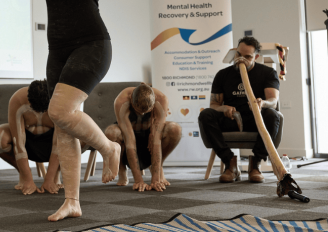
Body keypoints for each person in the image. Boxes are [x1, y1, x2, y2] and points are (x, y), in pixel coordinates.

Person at [4, 0, 121, 221]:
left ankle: (109, 147)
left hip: (92, 45)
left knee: (59, 109)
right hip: (58, 51)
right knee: (64, 123)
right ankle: (72, 201)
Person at [198, 36, 280, 183]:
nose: (241, 59)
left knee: (272, 115)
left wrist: (262, 103)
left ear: (256, 57)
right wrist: (224, 108)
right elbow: (214, 105)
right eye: (238, 55)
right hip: (231, 120)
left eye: (247, 57)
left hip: (256, 120)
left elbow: (273, 101)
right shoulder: (223, 75)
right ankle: (230, 163)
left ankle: (255, 164)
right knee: (206, 114)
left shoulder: (267, 73)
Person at [0, 80, 85, 195]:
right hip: (29, 141)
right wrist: (28, 179)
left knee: (83, 136)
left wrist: (49, 179)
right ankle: (23, 174)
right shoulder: (17, 99)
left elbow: (58, 143)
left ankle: (55, 176)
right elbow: (18, 142)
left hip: (52, 142)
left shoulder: (62, 102)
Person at [105, 84, 181, 192]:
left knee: (175, 129)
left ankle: (158, 168)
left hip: (148, 132)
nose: (142, 114)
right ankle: (121, 170)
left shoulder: (161, 100)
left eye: (147, 111)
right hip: (128, 132)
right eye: (138, 111)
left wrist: (155, 180)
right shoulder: (121, 101)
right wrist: (138, 180)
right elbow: (130, 141)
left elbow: (156, 141)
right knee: (111, 132)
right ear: (131, 99)